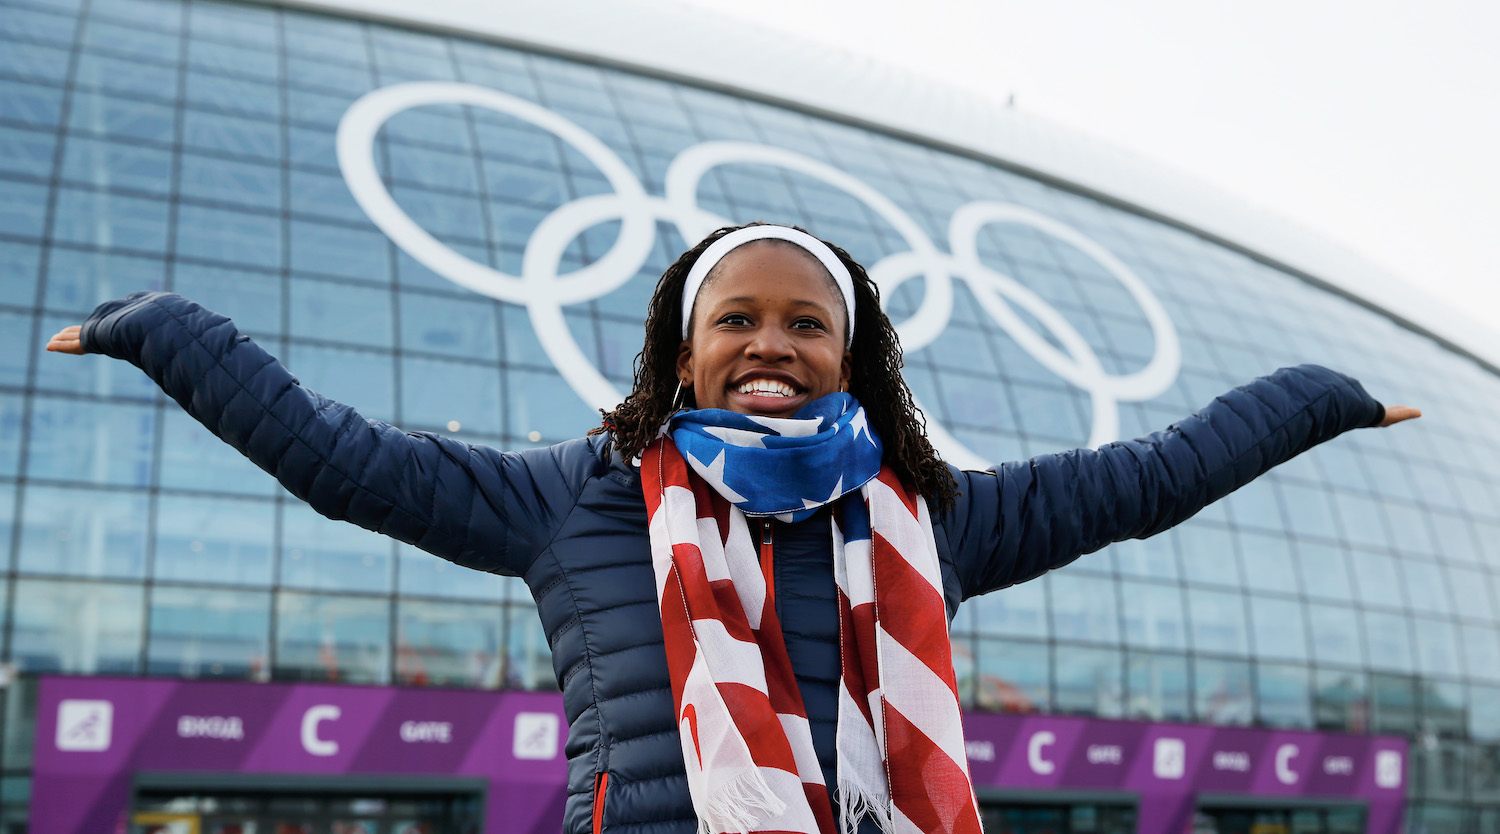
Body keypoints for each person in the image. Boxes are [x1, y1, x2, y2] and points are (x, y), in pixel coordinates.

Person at [47, 222, 1418, 834]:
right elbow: (336, 458)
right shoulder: (571, 496)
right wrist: (164, 330)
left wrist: (1326, 400)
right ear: (684, 350)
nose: (772, 343)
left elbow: (1150, 479)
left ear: (852, 354)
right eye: (738, 319)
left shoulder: (929, 516)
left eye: (806, 322)